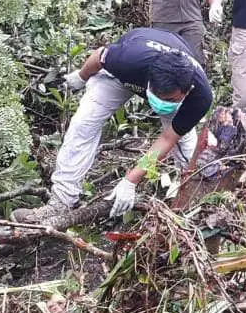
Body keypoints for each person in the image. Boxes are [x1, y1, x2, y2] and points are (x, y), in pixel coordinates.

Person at [13, 27, 213, 223]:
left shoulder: (200, 97)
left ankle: (191, 203)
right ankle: (61, 201)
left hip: (170, 86)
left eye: (168, 99)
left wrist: (130, 180)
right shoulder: (128, 59)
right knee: (83, 123)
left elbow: (167, 138)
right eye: (157, 95)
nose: (160, 102)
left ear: (188, 91)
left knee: (187, 148)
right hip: (123, 78)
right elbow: (99, 56)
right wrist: (80, 77)